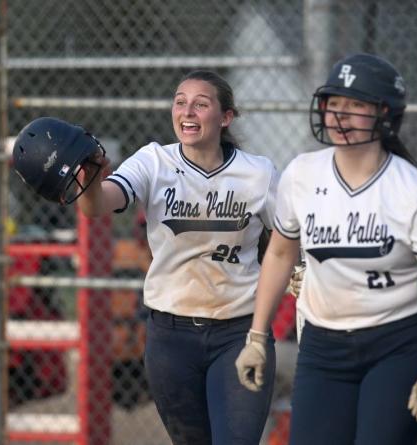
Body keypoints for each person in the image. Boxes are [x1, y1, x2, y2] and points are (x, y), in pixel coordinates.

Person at [235, 53, 417, 444]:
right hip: (323, 345)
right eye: (333, 104)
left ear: (385, 114)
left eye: (355, 105)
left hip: (398, 344)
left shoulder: (412, 189)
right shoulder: (302, 174)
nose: (339, 116)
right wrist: (257, 337)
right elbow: (280, 254)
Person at [77, 70, 279, 444]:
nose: (187, 111)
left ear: (226, 117)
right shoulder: (153, 161)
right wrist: (88, 184)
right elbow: (101, 203)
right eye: (180, 101)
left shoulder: (258, 173)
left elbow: (287, 240)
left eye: (201, 104)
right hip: (171, 337)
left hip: (238, 332)